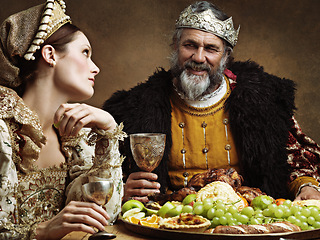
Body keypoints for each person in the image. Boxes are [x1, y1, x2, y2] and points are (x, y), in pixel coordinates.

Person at [103, 1, 320, 203]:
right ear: (175, 46)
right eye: (190, 45)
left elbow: (296, 159)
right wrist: (123, 188)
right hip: (169, 222)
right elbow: (108, 173)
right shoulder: (136, 107)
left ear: (226, 56)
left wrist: (306, 186)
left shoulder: (264, 100)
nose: (198, 57)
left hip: (246, 222)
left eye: (210, 49)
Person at [0, 1, 126, 239]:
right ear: (50, 55)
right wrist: (42, 231)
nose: (96, 68)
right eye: (85, 53)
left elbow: (105, 216)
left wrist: (109, 128)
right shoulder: (3, 133)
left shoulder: (73, 138)